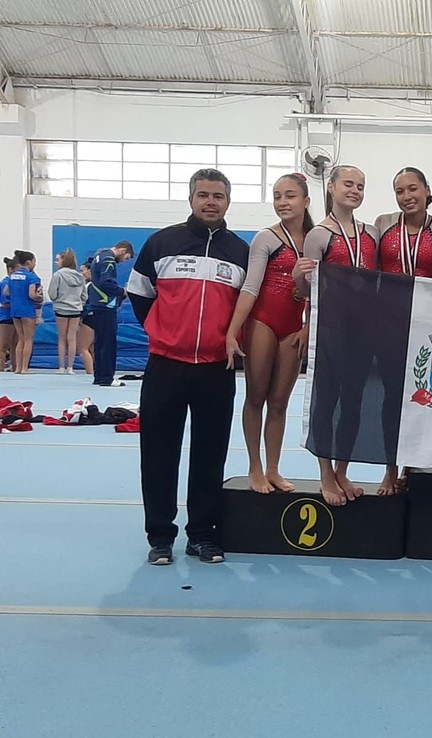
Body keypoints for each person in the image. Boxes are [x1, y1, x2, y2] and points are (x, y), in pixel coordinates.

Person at [127, 168, 249, 566]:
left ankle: (202, 535)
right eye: (202, 195)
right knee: (158, 454)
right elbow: (140, 294)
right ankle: (160, 536)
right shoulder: (162, 242)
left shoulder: (240, 252)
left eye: (217, 195)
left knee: (210, 455)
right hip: (166, 366)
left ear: (228, 201)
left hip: (217, 368)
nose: (210, 201)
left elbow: (246, 309)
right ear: (191, 199)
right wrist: (163, 333)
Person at [225, 173, 314, 494]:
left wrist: (308, 326)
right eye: (277, 196)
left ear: (306, 201)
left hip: (294, 325)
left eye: (290, 195)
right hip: (263, 321)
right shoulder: (266, 238)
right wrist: (233, 332)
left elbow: (321, 291)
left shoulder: (317, 239)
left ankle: (274, 468)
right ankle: (255, 467)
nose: (282, 202)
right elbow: (250, 287)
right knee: (256, 396)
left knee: (279, 402)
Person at [296, 165, 379, 506]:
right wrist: (297, 275)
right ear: (331, 188)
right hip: (331, 329)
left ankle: (342, 470)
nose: (355, 190)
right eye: (348, 184)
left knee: (354, 403)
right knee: (327, 401)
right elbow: (305, 289)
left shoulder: (370, 233)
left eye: (360, 186)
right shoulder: (318, 235)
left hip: (364, 329)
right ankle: (325, 473)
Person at [374, 167, 432, 494]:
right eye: (400, 191)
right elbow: (367, 271)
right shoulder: (383, 225)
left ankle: (412, 468)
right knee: (391, 399)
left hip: (428, 327)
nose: (407, 197)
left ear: (427, 190)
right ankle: (389, 469)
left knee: (423, 398)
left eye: (412, 189)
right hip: (389, 323)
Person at [86, 240, 134, 387]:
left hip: (96, 303)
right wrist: (122, 292)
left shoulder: (99, 255)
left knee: (100, 342)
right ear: (122, 250)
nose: (123, 262)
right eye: (125, 258)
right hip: (106, 304)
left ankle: (99, 376)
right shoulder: (108, 259)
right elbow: (106, 282)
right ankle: (107, 377)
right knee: (108, 343)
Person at [48, 248, 87, 374]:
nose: (56, 262)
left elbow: (52, 293)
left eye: (58, 260)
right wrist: (79, 303)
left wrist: (57, 300)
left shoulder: (58, 275)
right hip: (75, 309)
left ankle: (61, 367)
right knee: (72, 338)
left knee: (61, 338)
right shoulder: (80, 276)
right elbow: (84, 295)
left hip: (61, 308)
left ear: (64, 260)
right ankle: (70, 367)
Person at [7, 250, 43, 374]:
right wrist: (39, 297)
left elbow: (6, 292)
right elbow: (32, 294)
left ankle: (17, 368)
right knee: (28, 339)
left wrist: (16, 295)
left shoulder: (13, 276)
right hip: (27, 310)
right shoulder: (31, 277)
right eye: (34, 262)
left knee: (20, 339)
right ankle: (24, 368)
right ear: (29, 262)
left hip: (15, 310)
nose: (34, 264)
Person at [78, 260, 95, 374]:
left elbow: (84, 302)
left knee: (83, 348)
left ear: (90, 270)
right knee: (92, 347)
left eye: (82, 270)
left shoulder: (89, 286)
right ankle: (95, 370)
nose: (81, 273)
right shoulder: (100, 284)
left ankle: (90, 373)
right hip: (98, 316)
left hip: (89, 317)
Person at [0, 257, 17, 372]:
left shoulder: (15, 282)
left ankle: (16, 367)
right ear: (10, 270)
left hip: (16, 316)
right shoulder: (5, 283)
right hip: (6, 317)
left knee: (15, 346)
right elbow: (5, 302)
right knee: (3, 346)